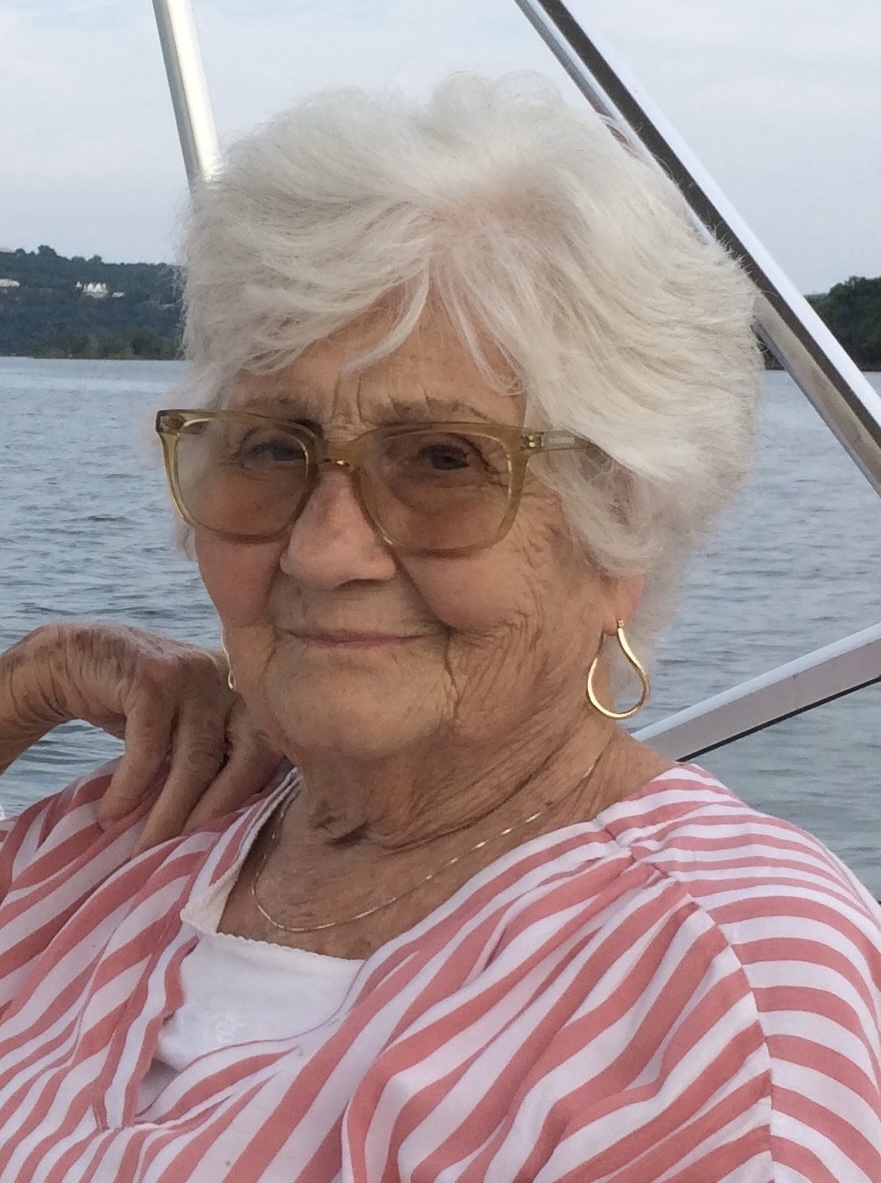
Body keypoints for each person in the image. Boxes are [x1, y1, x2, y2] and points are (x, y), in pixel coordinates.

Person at [1, 73, 880, 1182]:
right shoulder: (124, 828)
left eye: (444, 460)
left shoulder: (716, 988)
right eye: (272, 446)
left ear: (623, 525)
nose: (323, 550)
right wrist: (25, 685)